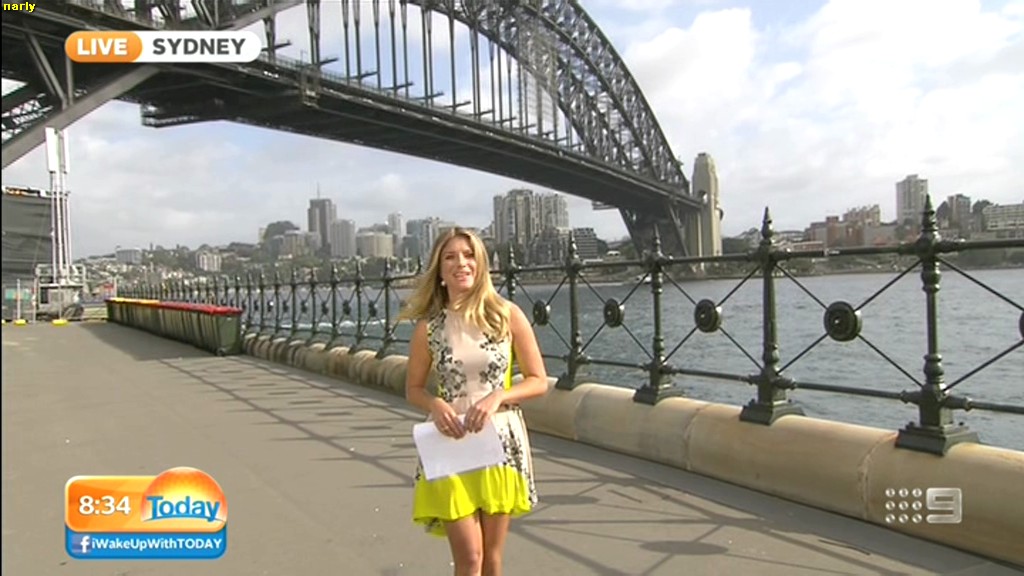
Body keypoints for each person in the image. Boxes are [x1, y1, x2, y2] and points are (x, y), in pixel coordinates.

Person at [400, 227, 549, 576]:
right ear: (439, 270)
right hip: (451, 442)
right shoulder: (429, 328)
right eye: (450, 257)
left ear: (481, 264)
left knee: (492, 559)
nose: (461, 264)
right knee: (470, 558)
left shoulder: (506, 315)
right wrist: (435, 405)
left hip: (499, 442)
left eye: (469, 256)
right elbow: (414, 388)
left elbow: (538, 380)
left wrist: (500, 396)